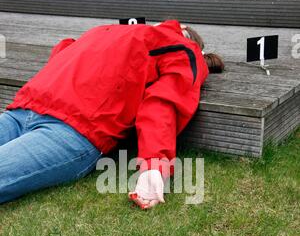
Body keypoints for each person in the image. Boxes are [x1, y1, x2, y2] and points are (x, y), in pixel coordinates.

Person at [0, 20, 224, 208]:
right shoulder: (175, 46)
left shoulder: (105, 30)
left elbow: (62, 50)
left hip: (39, 115)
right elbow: (163, 102)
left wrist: (153, 167)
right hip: (60, 123)